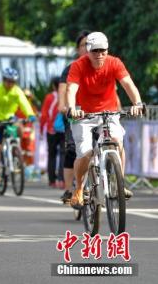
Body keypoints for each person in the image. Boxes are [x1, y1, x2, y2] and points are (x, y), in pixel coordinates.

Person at [66, 32, 144, 208]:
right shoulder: (78, 65)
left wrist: (137, 103)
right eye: (95, 51)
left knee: (117, 140)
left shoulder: (114, 62)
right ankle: (79, 188)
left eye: (103, 50)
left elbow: (128, 84)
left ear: (107, 50)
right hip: (83, 115)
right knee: (85, 153)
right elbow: (71, 89)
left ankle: (119, 182)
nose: (100, 55)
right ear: (88, 51)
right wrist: (72, 109)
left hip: (109, 113)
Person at [0, 68, 36, 189]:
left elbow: (24, 103)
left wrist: (30, 115)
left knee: (20, 128)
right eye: (8, 81)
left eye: (13, 82)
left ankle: (15, 152)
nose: (10, 84)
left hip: (10, 119)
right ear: (3, 80)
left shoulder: (17, 91)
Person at [57, 30, 89, 203]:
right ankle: (70, 189)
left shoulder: (102, 65)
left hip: (95, 113)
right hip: (74, 113)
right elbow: (63, 91)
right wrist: (65, 107)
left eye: (90, 44)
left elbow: (111, 93)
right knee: (72, 148)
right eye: (83, 45)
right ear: (78, 49)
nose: (87, 48)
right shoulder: (70, 69)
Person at [40, 77, 65, 188]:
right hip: (64, 128)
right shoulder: (66, 95)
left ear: (53, 86)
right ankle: (62, 179)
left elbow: (44, 114)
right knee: (64, 154)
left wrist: (41, 128)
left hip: (52, 130)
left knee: (52, 155)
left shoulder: (50, 97)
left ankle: (52, 180)